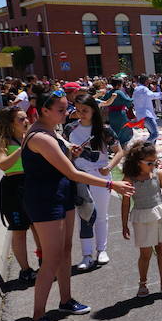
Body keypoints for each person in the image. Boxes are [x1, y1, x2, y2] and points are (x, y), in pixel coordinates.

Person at [22, 91, 134, 321]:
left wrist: (69, 151)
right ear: (44, 111)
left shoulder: (54, 132)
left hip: (62, 196)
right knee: (51, 259)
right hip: (45, 200)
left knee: (64, 252)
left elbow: (64, 164)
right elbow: (71, 173)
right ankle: (37, 317)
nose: (68, 113)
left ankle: (66, 301)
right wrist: (112, 184)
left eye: (66, 109)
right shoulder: (41, 136)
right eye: (61, 110)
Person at [65, 94, 125, 270]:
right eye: (78, 110)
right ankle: (86, 255)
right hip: (79, 176)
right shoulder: (70, 128)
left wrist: (109, 166)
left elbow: (119, 151)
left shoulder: (104, 130)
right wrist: (72, 155)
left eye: (85, 110)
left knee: (100, 215)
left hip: (100, 176)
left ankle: (101, 250)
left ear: (94, 110)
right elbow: (65, 154)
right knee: (84, 215)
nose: (81, 113)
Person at [120, 141, 162, 298]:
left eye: (156, 161)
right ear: (138, 162)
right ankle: (143, 284)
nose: (154, 165)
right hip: (142, 218)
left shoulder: (158, 175)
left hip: (161, 215)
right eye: (150, 163)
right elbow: (126, 202)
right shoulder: (130, 178)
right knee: (145, 253)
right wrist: (124, 224)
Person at [0, 107, 40, 282]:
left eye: (26, 117)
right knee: (19, 231)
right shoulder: (2, 141)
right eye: (21, 119)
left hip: (33, 184)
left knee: (39, 226)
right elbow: (3, 165)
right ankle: (25, 270)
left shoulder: (32, 138)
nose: (26, 121)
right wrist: (22, 148)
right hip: (13, 187)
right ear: (10, 123)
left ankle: (44, 262)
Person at [99, 77, 134, 148]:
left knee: (114, 129)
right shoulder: (119, 92)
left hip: (111, 114)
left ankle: (114, 145)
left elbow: (102, 100)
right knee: (124, 129)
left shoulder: (109, 92)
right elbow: (128, 101)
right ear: (119, 85)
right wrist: (132, 97)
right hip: (120, 114)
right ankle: (122, 145)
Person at [132, 75, 162, 145]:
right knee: (155, 134)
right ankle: (143, 146)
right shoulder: (143, 89)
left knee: (152, 133)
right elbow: (152, 95)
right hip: (146, 114)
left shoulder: (136, 89)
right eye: (148, 81)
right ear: (146, 81)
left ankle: (151, 152)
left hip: (141, 115)